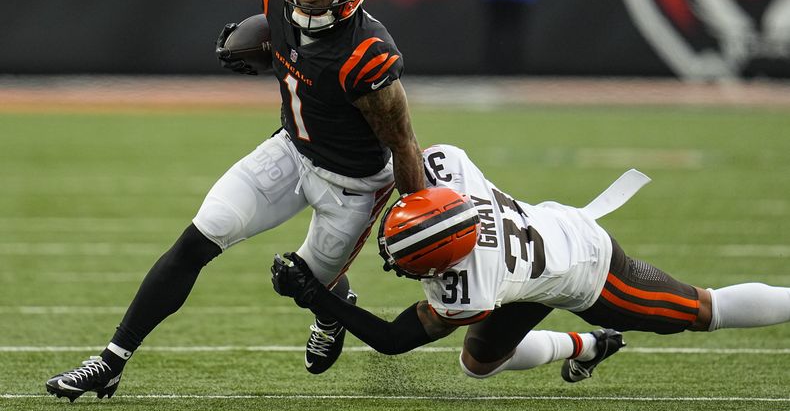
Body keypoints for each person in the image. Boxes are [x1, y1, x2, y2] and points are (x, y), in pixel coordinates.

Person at [45, 0, 425, 402]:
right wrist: (262, 47)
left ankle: (331, 309)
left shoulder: (368, 55)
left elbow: (404, 144)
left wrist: (419, 217)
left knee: (303, 284)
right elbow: (284, 37)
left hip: (353, 185)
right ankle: (111, 361)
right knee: (199, 238)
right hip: (291, 149)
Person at [272, 144, 790, 382]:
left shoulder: (472, 287)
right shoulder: (448, 170)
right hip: (529, 266)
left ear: (446, 265)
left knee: (702, 310)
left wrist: (315, 296)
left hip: (588, 266)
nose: (401, 267)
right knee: (477, 366)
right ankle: (591, 345)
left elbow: (392, 340)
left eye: (412, 265)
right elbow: (408, 159)